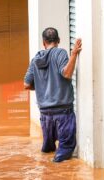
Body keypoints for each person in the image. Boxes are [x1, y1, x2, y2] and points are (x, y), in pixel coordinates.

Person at [24, 27, 82, 162]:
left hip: (45, 115)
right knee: (63, 153)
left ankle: (46, 172)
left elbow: (26, 85)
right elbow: (67, 73)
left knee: (48, 150)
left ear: (44, 42)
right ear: (59, 40)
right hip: (63, 113)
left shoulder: (35, 60)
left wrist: (40, 87)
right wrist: (73, 54)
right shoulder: (60, 53)